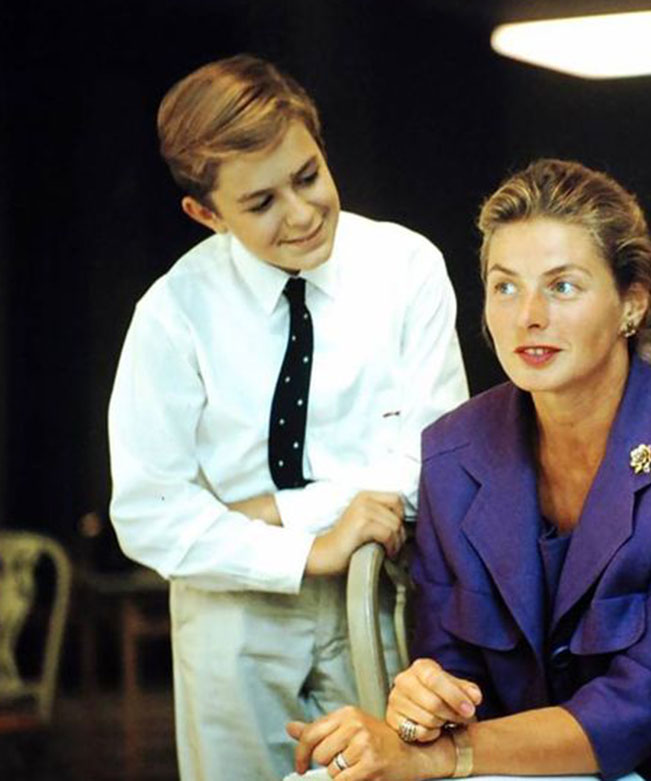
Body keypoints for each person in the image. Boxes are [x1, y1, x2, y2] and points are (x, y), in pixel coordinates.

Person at [288, 158, 651, 780]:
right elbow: (448, 665)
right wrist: (426, 700)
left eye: (563, 287)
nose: (528, 315)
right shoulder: (453, 453)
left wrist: (442, 753)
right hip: (508, 766)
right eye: (505, 287)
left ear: (632, 304)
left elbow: (642, 707)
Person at [107, 54, 468, 781]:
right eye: (261, 202)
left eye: (308, 177)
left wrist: (276, 510)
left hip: (376, 589)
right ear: (206, 215)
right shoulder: (172, 312)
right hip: (229, 612)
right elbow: (148, 513)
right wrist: (310, 546)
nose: (301, 214)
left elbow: (436, 462)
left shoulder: (407, 268)